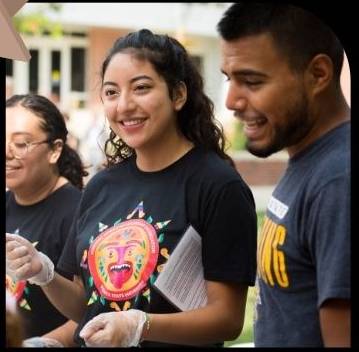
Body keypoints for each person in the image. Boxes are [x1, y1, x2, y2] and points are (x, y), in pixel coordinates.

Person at [6, 29, 257, 348]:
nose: (124, 105)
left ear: (178, 95)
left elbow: (227, 319)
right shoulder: (101, 186)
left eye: (141, 88)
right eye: (111, 93)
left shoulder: (217, 185)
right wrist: (43, 272)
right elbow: (85, 306)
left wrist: (140, 324)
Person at [217, 3, 350, 347]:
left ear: (318, 74)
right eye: (229, 79)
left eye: (251, 81)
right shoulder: (310, 159)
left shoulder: (339, 181)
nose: (231, 100)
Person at [6, 94, 88, 347]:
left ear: (55, 150)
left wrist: (42, 343)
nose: (7, 153)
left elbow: (89, 310)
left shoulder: (78, 212)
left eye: (20, 143)